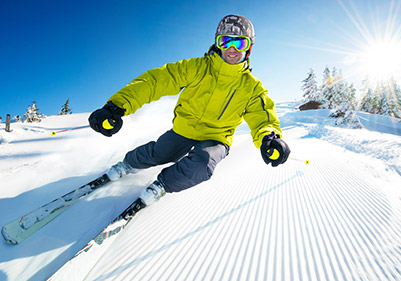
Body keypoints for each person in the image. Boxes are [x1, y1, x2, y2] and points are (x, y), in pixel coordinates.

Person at [88, 14, 290, 206]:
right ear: (218, 43)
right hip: (184, 129)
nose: (232, 49)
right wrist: (116, 106)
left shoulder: (252, 88)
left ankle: (162, 185)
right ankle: (127, 165)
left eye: (240, 42)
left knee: (202, 164)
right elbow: (155, 82)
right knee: (160, 153)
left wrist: (269, 138)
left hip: (217, 137)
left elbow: (263, 118)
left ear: (249, 48)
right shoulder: (197, 68)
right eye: (225, 41)